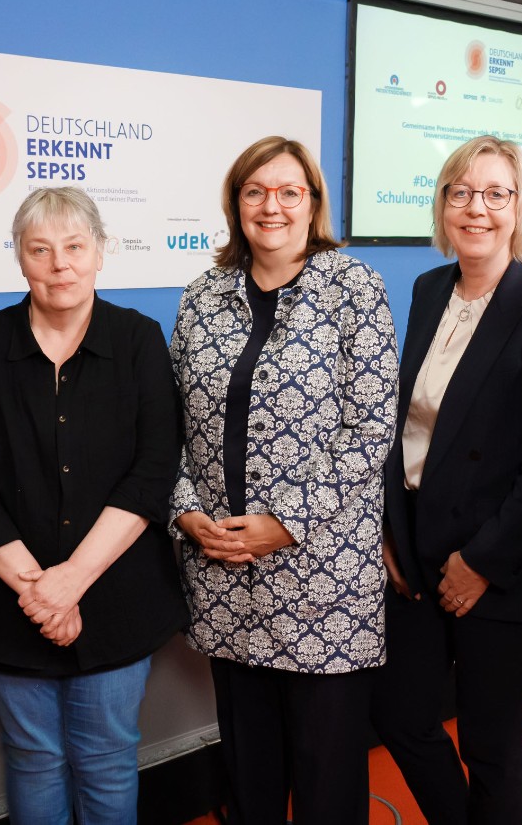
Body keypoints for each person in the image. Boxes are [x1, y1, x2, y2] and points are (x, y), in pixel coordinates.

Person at [0, 187, 186, 825]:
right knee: (32, 755)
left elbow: (153, 469)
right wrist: (38, 591)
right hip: (7, 600)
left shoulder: (138, 341)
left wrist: (71, 582)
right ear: (18, 258)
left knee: (107, 756)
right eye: (40, 249)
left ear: (101, 253)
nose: (59, 264)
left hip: (115, 593)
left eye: (75, 247)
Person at [169, 136, 398, 824]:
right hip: (222, 569)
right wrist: (185, 511)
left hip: (321, 578)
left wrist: (284, 523)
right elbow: (170, 425)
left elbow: (368, 432)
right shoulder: (202, 295)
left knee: (327, 777)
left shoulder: (354, 287)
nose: (272, 205)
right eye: (255, 191)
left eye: (288, 191)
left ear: (312, 203)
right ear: (235, 204)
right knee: (250, 770)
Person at [372, 136, 522, 824]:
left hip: (497, 564)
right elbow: (411, 426)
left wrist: (481, 563)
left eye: (497, 193)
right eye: (460, 192)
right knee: (401, 717)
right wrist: (392, 539)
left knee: (491, 742)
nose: (476, 208)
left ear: (520, 207)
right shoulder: (429, 288)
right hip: (417, 548)